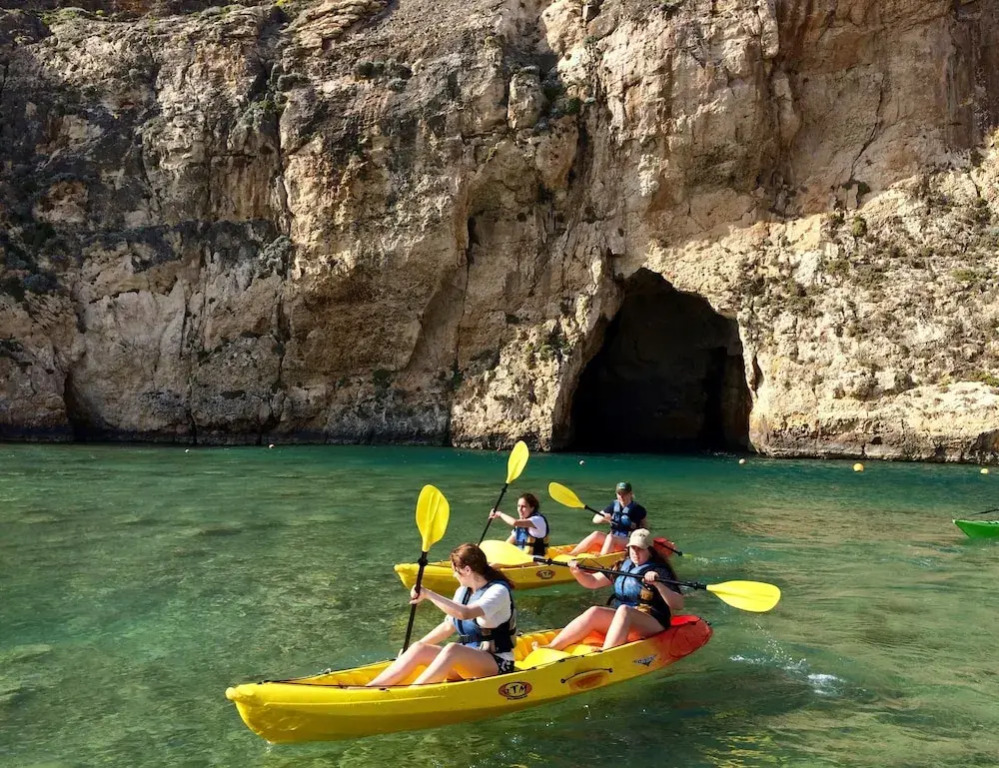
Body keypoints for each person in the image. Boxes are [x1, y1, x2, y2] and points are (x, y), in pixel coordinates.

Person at [366, 543, 517, 686]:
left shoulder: (498, 591)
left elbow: (466, 613)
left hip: (498, 663)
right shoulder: (463, 591)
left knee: (453, 649)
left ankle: (414, 693)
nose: (454, 575)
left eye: (455, 571)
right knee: (419, 647)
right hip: (467, 665)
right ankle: (372, 688)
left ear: (467, 570)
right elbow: (448, 626)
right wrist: (411, 650)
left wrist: (428, 594)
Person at [544, 529, 682, 651]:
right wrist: (577, 573)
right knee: (595, 611)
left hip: (653, 622)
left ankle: (606, 651)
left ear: (649, 550)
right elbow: (592, 582)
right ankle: (553, 646)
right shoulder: (622, 565)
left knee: (624, 610)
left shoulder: (659, 570)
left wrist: (658, 584)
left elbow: (678, 604)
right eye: (632, 548)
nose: (635, 552)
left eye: (640, 549)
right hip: (625, 618)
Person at [570, 481, 648, 555]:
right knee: (596, 534)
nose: (621, 496)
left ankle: (601, 558)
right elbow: (595, 520)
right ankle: (572, 554)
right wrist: (604, 519)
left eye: (624, 493)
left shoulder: (638, 509)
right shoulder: (613, 506)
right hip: (614, 537)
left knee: (611, 537)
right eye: (619, 493)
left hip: (629, 540)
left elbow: (645, 529)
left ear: (630, 494)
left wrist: (632, 525)